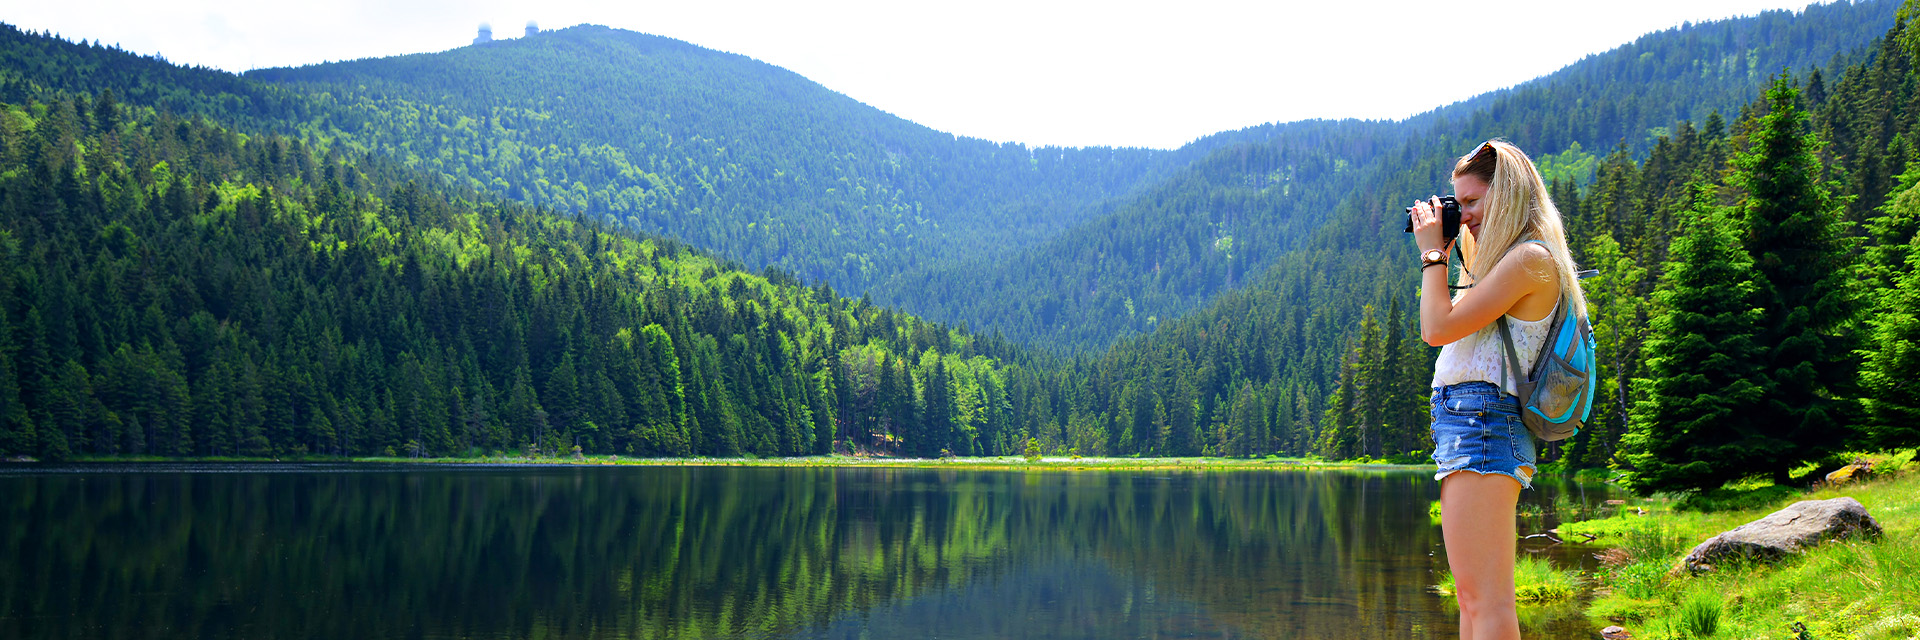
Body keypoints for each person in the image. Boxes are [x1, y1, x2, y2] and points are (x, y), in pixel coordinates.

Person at [1408, 139, 1589, 640]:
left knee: (1486, 604)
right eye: (1456, 203)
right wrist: (1446, 250)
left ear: (1507, 194)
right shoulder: (1505, 260)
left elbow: (1436, 328)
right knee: (1471, 600)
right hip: (1471, 424)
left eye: (1472, 202)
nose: (1462, 216)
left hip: (1485, 424)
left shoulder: (1530, 259)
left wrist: (1430, 256)